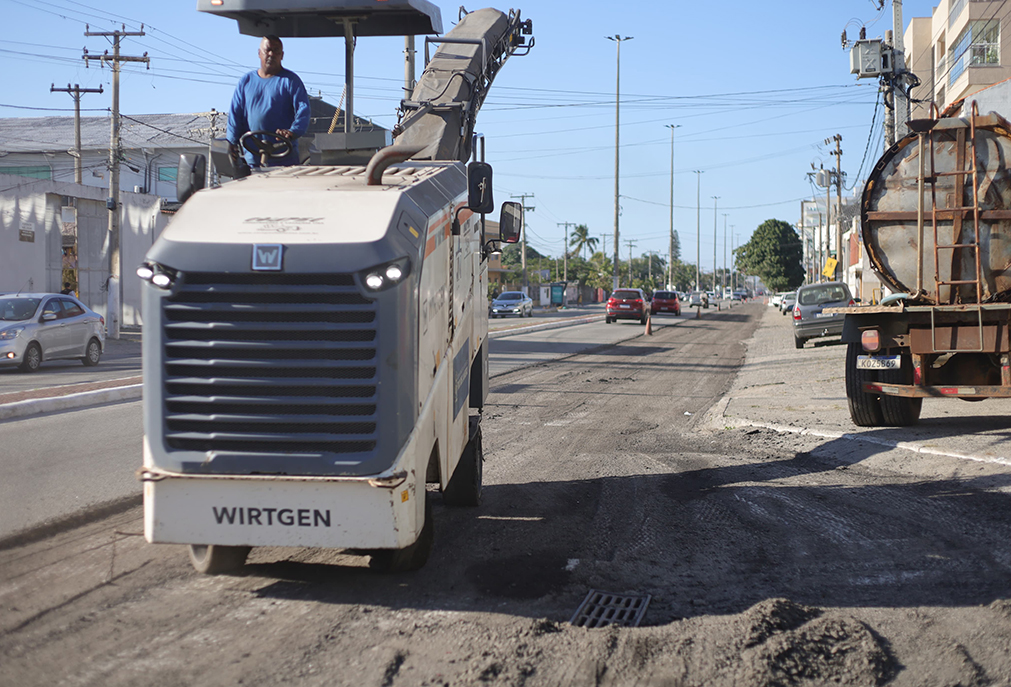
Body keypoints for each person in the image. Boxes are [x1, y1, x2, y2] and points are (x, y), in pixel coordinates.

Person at [227, 35, 310, 169]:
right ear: (259, 53)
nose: (271, 54)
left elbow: (303, 111)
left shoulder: (291, 81)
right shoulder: (246, 82)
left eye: (276, 50)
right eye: (268, 50)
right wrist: (230, 143)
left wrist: (292, 132)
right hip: (252, 161)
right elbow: (235, 116)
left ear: (282, 55)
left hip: (284, 162)